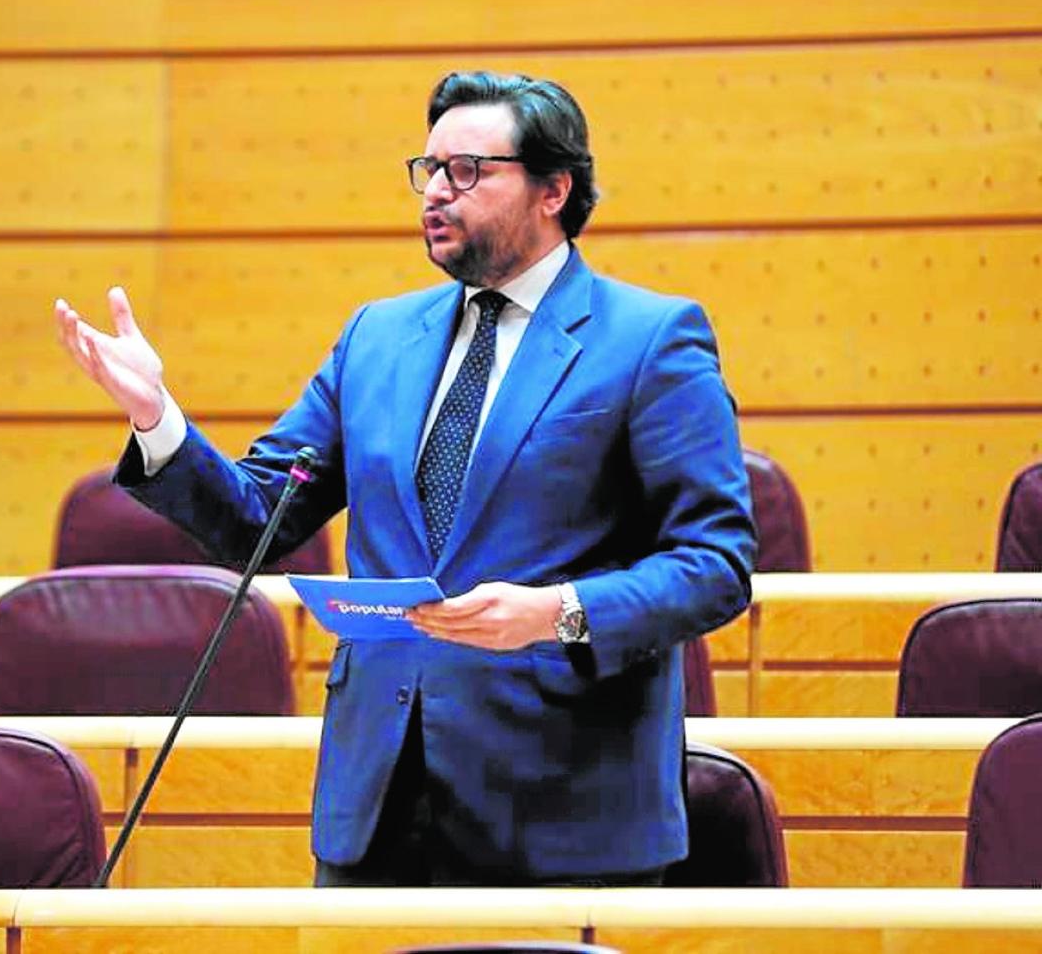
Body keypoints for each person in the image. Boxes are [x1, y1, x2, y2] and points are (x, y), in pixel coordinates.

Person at [54, 70, 756, 886]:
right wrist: (157, 419)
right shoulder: (377, 338)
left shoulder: (649, 339)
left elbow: (716, 564)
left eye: (467, 170)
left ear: (553, 189)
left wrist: (556, 612)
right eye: (428, 170)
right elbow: (259, 520)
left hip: (564, 806)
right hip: (378, 803)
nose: (437, 193)